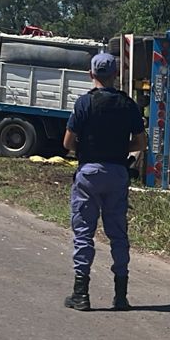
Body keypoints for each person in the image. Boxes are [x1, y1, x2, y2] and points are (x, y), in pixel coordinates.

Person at [63, 52, 146, 311]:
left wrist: (86, 150)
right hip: (117, 173)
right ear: (116, 76)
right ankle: (120, 296)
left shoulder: (84, 103)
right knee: (118, 235)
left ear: (91, 74)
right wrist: (121, 146)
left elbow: (67, 142)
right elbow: (141, 142)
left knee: (84, 234)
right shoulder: (128, 104)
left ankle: (81, 294)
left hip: (89, 173)